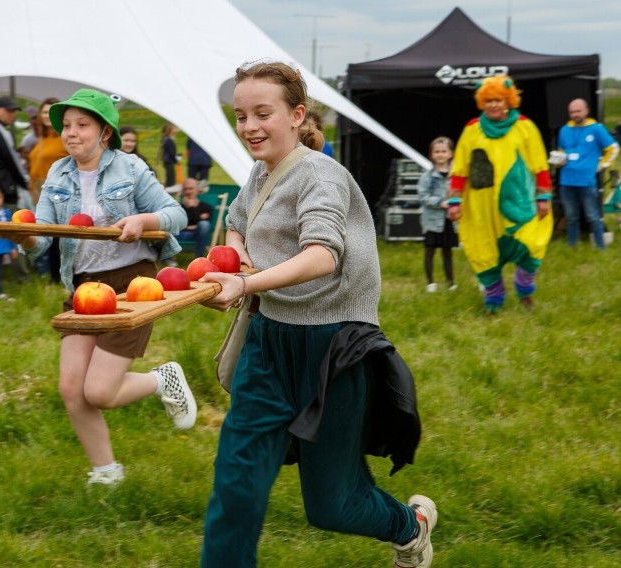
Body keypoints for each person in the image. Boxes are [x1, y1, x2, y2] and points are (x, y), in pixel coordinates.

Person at [199, 61, 433, 568]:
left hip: (334, 348)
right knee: (236, 483)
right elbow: (238, 220)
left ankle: (408, 526)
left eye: (263, 113)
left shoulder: (321, 175)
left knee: (333, 504)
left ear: (296, 114)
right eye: (241, 116)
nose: (250, 127)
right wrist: (236, 251)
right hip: (268, 344)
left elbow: (323, 254)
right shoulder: (260, 172)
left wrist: (244, 282)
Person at [8, 88, 194, 486]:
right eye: (67, 126)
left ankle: (161, 379)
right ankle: (107, 472)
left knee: (100, 392)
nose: (71, 133)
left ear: (105, 132)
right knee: (72, 388)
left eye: (82, 125)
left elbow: (175, 214)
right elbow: (42, 237)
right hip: (84, 287)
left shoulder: (130, 169)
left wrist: (143, 221)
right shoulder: (58, 173)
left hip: (133, 285)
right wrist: (24, 237)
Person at [448, 75, 553, 314]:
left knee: (531, 245)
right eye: (489, 100)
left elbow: (540, 165)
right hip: (481, 206)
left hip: (518, 203)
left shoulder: (525, 126)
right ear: (482, 102)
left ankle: (524, 289)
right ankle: (494, 300)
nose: (494, 105)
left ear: (509, 101)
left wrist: (543, 196)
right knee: (484, 250)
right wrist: (454, 200)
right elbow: (460, 168)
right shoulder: (472, 129)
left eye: (498, 100)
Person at [555, 98, 619, 249]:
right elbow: (561, 151)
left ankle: (600, 247)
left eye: (578, 111)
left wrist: (601, 165)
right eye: (572, 112)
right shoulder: (564, 130)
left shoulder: (596, 129)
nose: (575, 114)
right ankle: (572, 247)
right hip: (567, 181)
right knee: (571, 217)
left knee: (593, 217)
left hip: (587, 182)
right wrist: (559, 160)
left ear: (586, 111)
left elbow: (613, 148)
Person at [28, 97, 69, 283]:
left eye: (50, 112)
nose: (46, 116)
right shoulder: (42, 138)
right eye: (43, 112)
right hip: (38, 192)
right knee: (49, 234)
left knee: (59, 236)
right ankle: (54, 276)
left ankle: (61, 277)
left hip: (59, 192)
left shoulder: (64, 137)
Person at [417, 137, 458, 292]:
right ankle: (430, 282)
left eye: (444, 151)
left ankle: (451, 282)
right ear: (432, 155)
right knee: (430, 250)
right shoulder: (427, 177)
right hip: (432, 221)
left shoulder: (455, 176)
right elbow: (423, 196)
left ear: (450, 154)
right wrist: (440, 202)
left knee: (447, 251)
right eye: (437, 152)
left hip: (448, 220)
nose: (440, 154)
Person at [176, 178, 213, 257]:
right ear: (182, 191)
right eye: (185, 189)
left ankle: (199, 258)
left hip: (197, 235)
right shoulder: (177, 207)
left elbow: (204, 225)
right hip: (179, 234)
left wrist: (191, 207)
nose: (188, 192)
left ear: (197, 189)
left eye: (191, 188)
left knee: (204, 225)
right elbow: (178, 224)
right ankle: (167, 260)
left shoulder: (206, 207)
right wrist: (195, 223)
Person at [159, 122, 179, 188]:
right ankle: (169, 189)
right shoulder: (168, 140)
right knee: (171, 178)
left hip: (168, 160)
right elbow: (171, 152)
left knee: (168, 176)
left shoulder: (167, 139)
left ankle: (166, 187)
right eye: (174, 128)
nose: (176, 129)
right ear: (170, 130)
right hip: (169, 161)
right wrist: (176, 160)